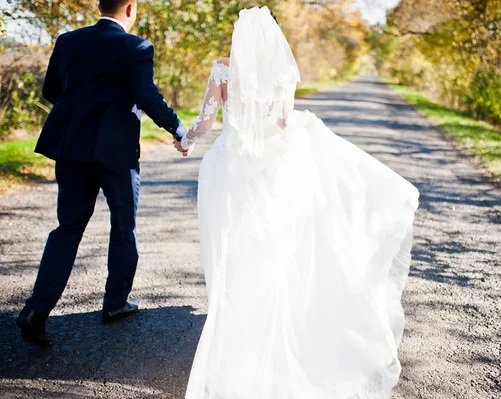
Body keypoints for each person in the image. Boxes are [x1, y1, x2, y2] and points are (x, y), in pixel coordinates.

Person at [180, 7, 420, 399]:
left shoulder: (223, 68)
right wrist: (309, 120)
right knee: (274, 248)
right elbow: (284, 123)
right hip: (275, 169)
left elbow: (206, 121)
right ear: (274, 37)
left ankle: (238, 330)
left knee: (234, 249)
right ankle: (276, 327)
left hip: (230, 170)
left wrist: (185, 139)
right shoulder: (281, 72)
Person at [16, 0, 187, 348]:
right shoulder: (136, 46)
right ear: (130, 8)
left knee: (68, 228)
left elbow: (51, 90)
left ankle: (36, 310)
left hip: (70, 146)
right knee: (123, 225)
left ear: (99, 6)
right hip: (116, 153)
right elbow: (147, 95)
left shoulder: (68, 40)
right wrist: (177, 128)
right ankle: (115, 304)